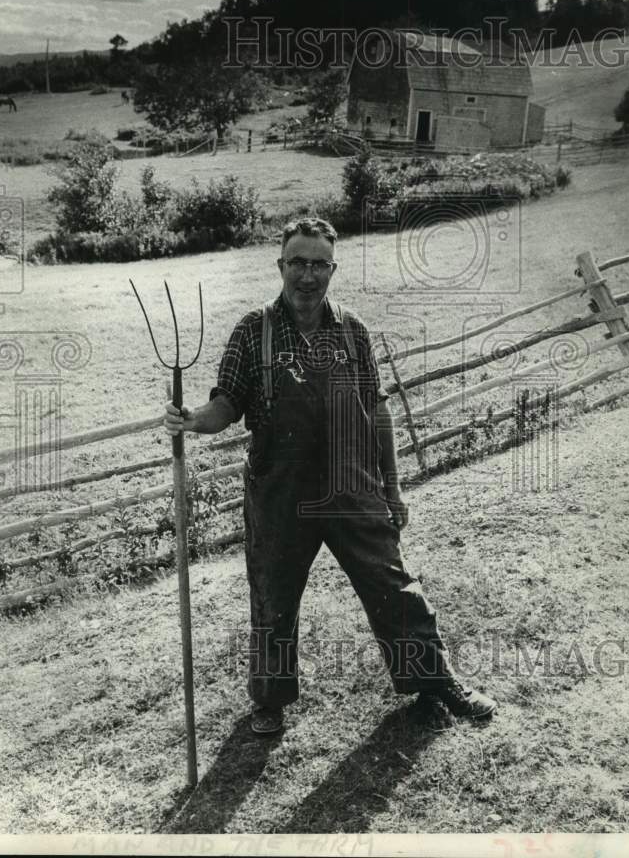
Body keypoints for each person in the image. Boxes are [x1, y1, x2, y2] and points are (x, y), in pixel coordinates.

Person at [165, 217, 497, 734]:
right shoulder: (254, 331)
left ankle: (435, 681)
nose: (307, 274)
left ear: (332, 269)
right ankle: (270, 698)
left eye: (319, 264)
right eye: (297, 262)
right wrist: (192, 422)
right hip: (280, 492)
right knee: (273, 598)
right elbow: (226, 404)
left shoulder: (353, 331)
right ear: (281, 266)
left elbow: (378, 412)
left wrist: (393, 488)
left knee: (395, 586)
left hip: (352, 487)